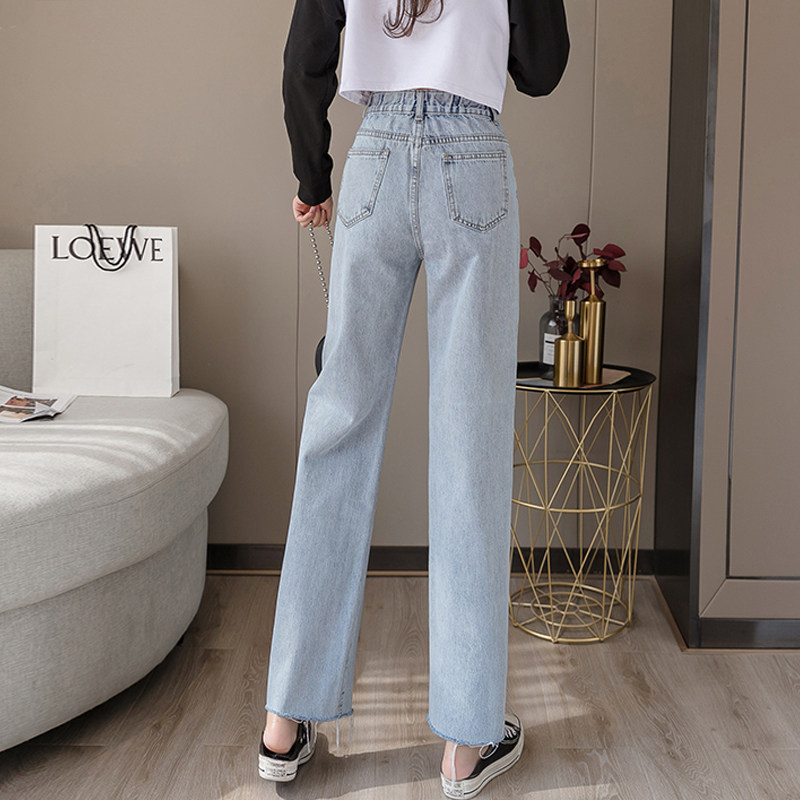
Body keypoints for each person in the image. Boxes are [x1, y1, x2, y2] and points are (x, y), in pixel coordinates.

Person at [259, 1, 569, 797]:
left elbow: (303, 61)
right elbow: (542, 69)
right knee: (470, 444)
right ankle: (467, 741)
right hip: (474, 158)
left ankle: (284, 719)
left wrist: (313, 177)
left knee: (337, 430)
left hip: (376, 158)